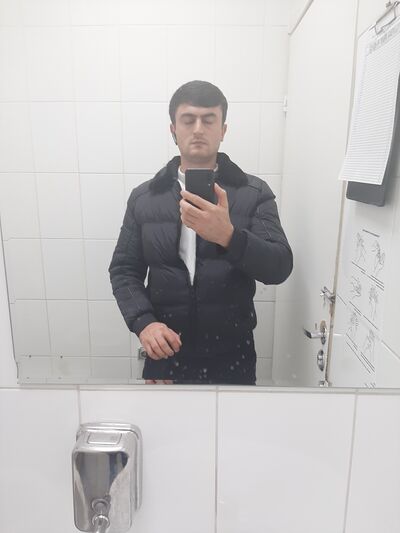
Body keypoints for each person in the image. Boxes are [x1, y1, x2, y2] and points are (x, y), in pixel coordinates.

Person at [109, 80, 293, 385]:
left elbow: (279, 266)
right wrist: (144, 323)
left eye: (208, 120)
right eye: (188, 120)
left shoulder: (253, 193)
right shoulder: (144, 198)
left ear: (223, 130)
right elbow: (124, 270)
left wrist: (229, 237)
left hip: (233, 357)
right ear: (173, 130)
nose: (198, 129)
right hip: (164, 352)